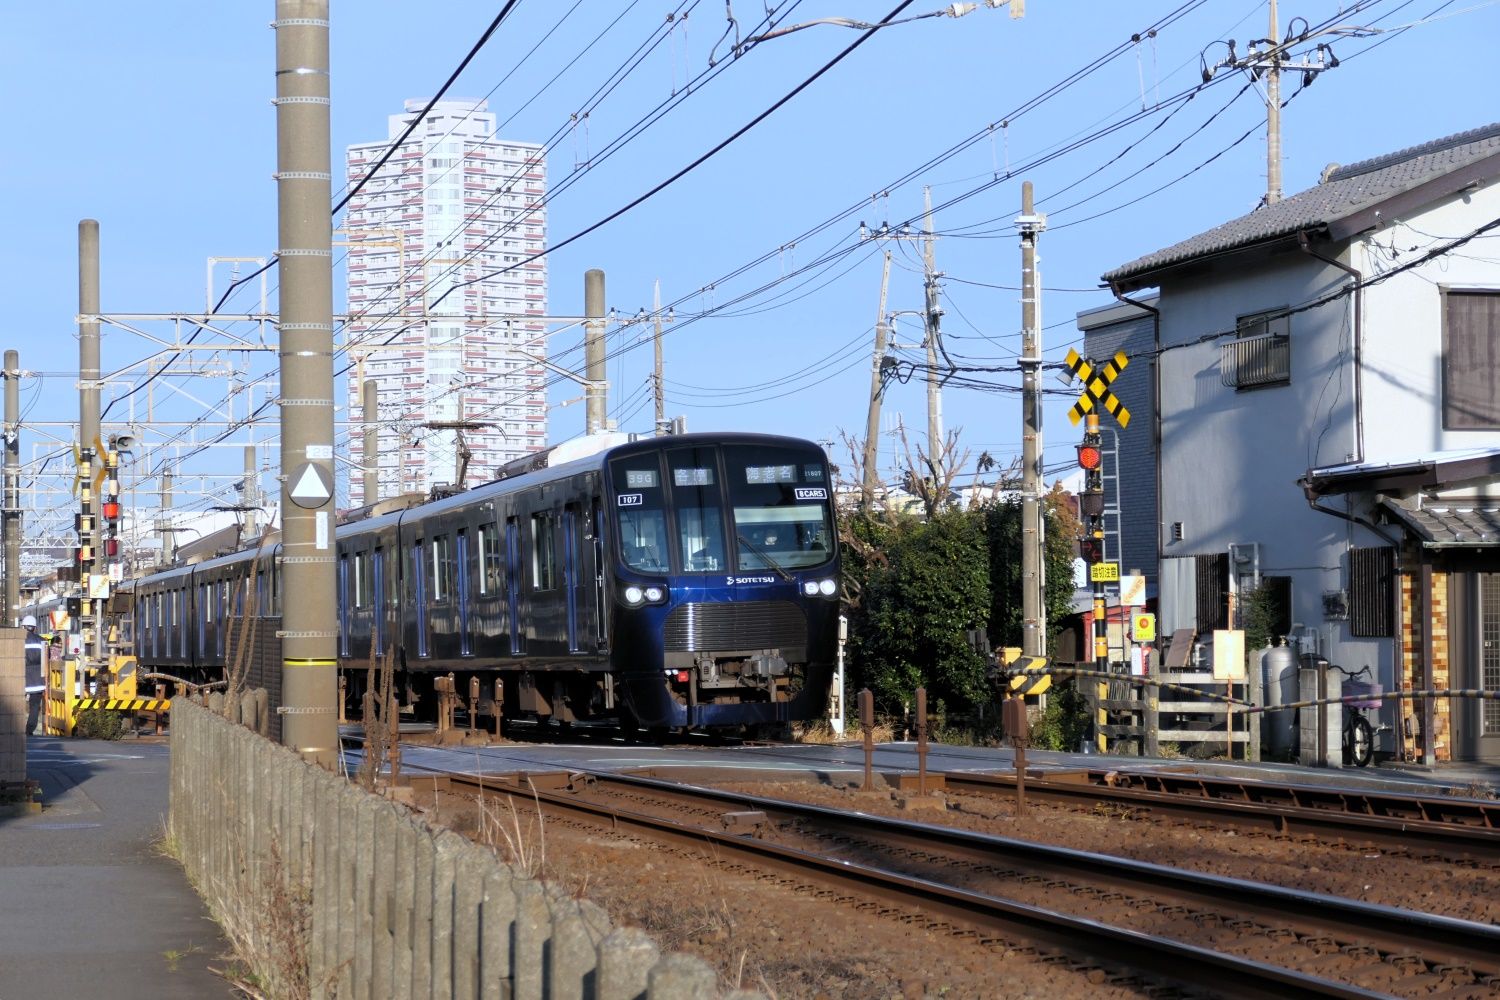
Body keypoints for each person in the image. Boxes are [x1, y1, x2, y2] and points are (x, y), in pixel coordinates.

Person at [23, 615, 45, 736]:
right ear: (35, 628)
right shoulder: (42, 640)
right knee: (35, 705)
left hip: (23, 676)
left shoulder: (20, 641)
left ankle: (16, 727)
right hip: (38, 678)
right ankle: (29, 729)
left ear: (23, 627)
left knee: (17, 703)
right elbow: (47, 658)